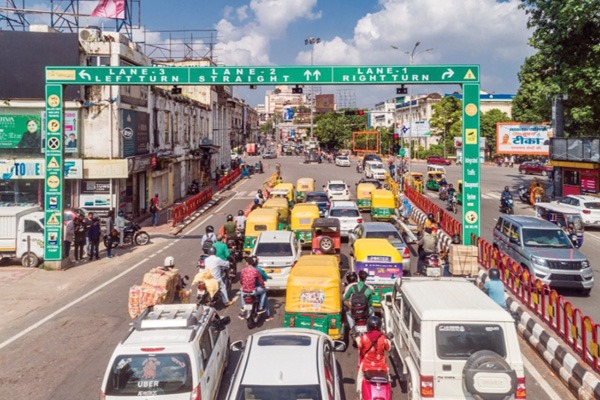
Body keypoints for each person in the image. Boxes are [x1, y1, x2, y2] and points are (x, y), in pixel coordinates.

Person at [356, 316, 391, 397]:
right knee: (388, 379)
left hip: (367, 366)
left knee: (360, 377)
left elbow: (358, 345)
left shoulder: (364, 338)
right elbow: (388, 348)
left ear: (368, 326)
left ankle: (359, 395)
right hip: (381, 367)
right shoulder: (383, 338)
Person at [239, 256, 273, 320]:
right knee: (264, 292)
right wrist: (263, 287)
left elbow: (241, 280)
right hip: (254, 290)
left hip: (245, 290)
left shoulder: (243, 270)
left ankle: (243, 308)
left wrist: (243, 285)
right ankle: (261, 308)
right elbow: (261, 280)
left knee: (242, 291)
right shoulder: (257, 270)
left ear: (247, 263)